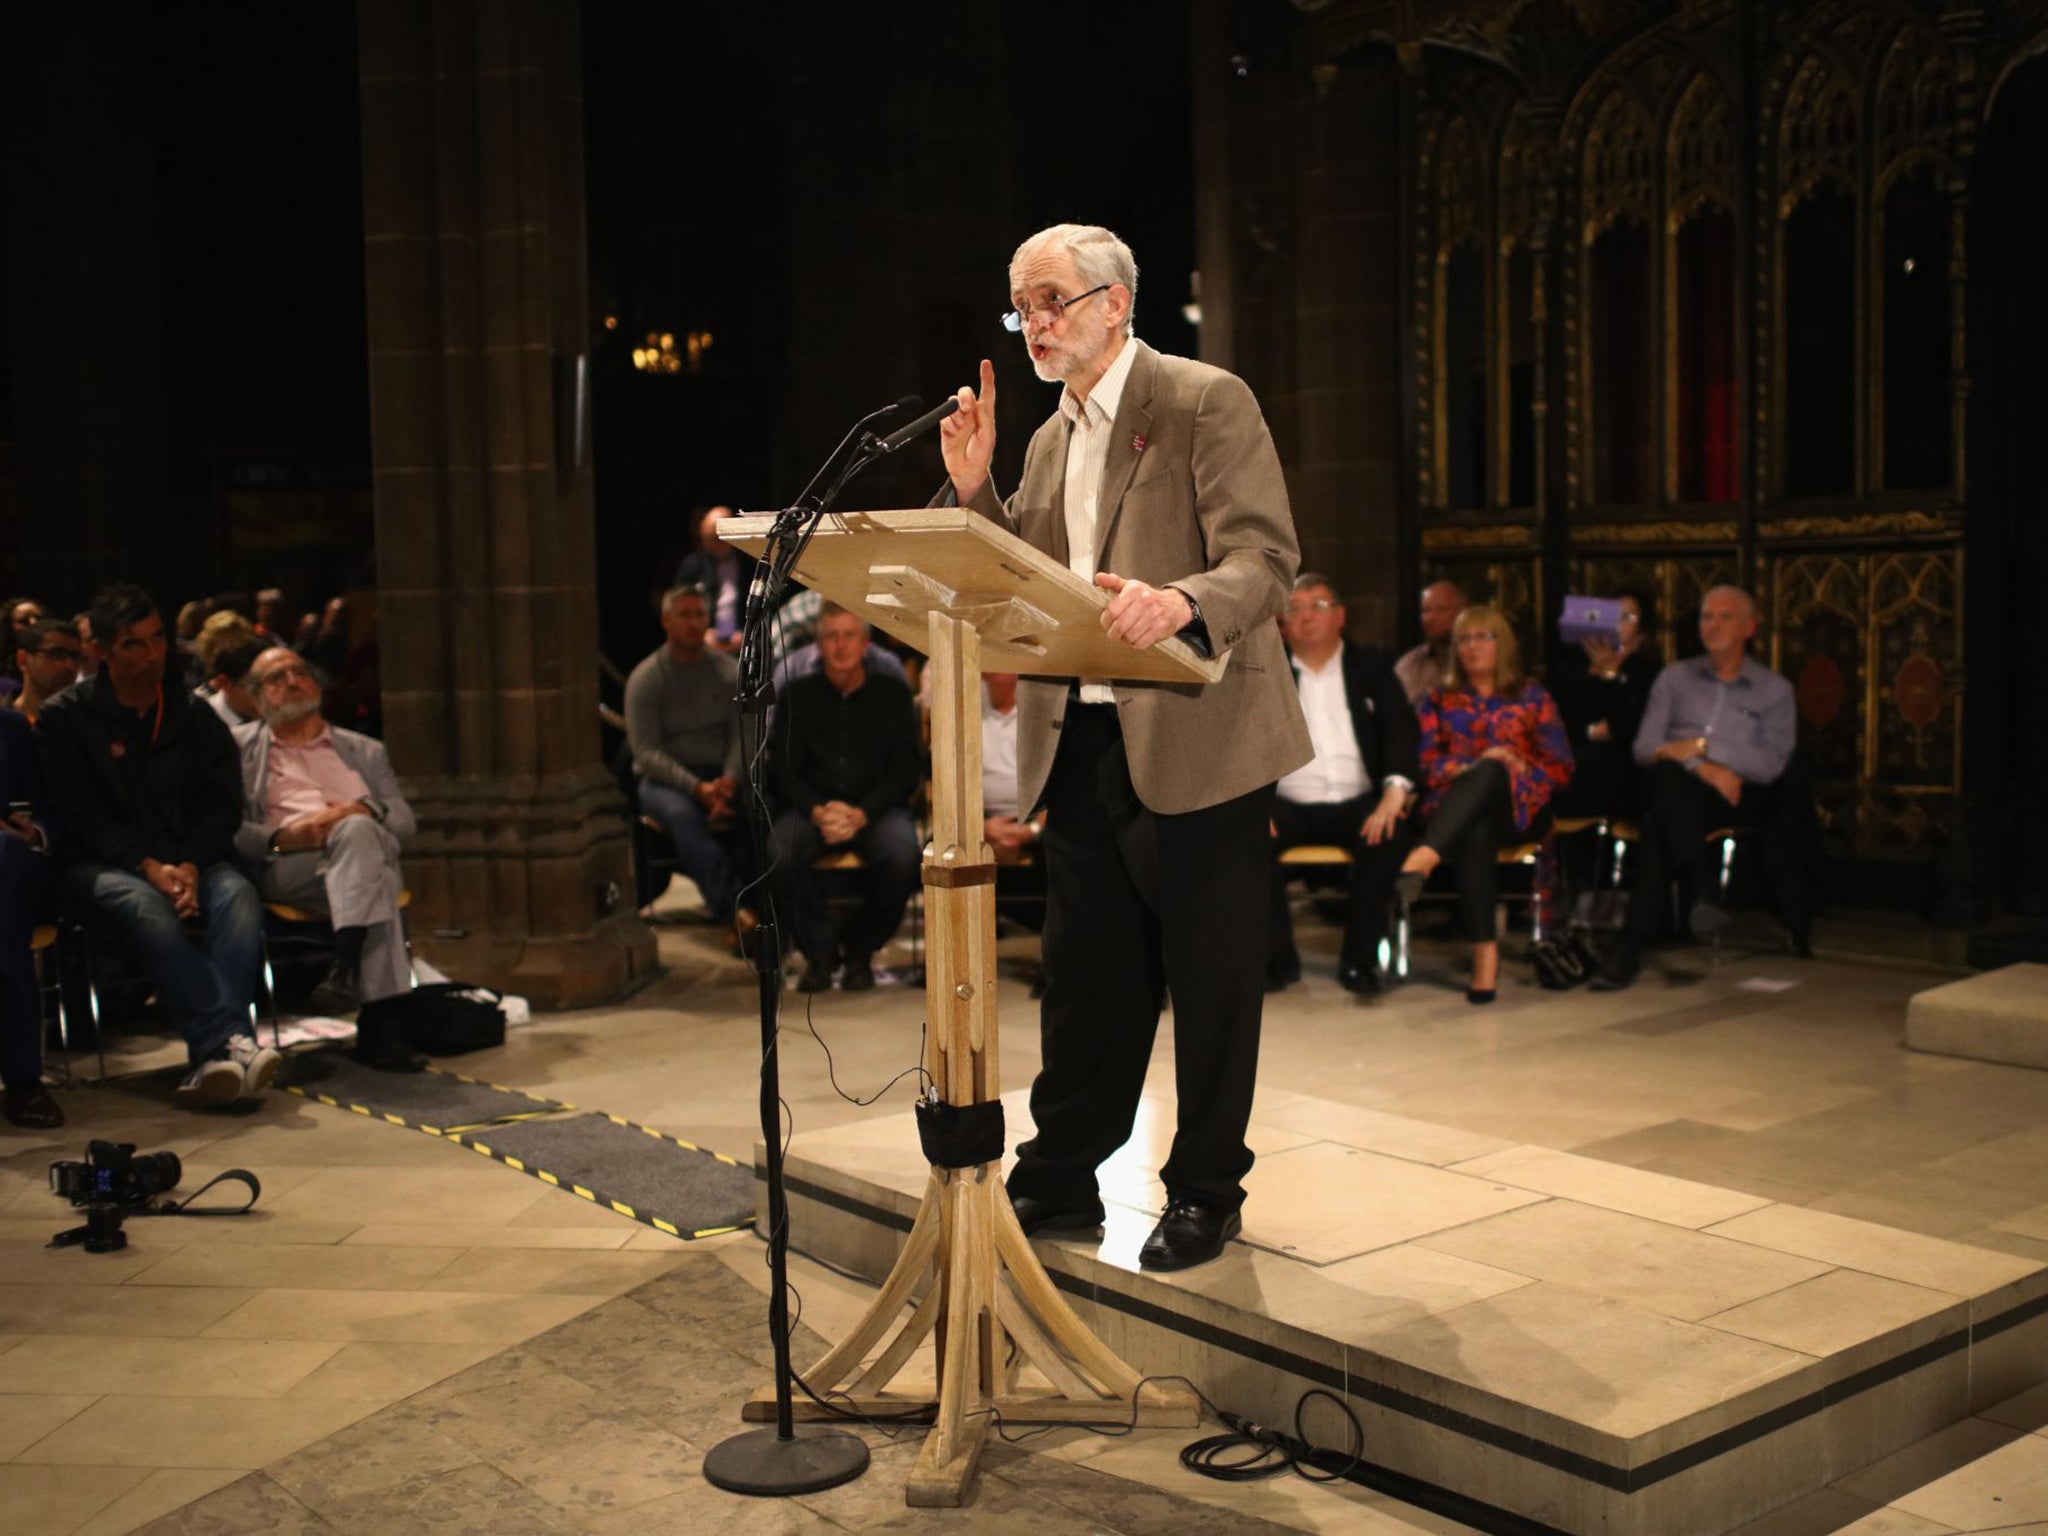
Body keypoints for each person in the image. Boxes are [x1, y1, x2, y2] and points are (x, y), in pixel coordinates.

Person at [938, 221, 1311, 1271]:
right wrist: (972, 493)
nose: (1033, 326)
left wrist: (1181, 600)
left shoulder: (1200, 400)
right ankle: (1062, 1175)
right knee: (1087, 974)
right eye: (1021, 308)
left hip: (1199, 734)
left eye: (1050, 301)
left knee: (1210, 975)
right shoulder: (1051, 436)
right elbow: (1026, 582)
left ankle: (1201, 1189)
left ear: (1114, 302)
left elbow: (1265, 556)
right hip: (1085, 736)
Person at [37, 584, 276, 1105]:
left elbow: (220, 806)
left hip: (191, 859)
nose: (151, 655)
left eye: (157, 640)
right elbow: (79, 817)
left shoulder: (193, 715)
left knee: (237, 895)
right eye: (133, 645)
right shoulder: (66, 718)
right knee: (144, 904)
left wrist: (188, 864)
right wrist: (147, 866)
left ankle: (213, 1061)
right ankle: (228, 1041)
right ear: (100, 650)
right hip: (97, 866)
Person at [1593, 586, 1803, 989]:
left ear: (1749, 628)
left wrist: (1702, 749)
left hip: (1735, 797)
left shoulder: (1774, 691)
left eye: (1725, 617)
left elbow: (1769, 764)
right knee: (1667, 782)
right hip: (1678, 785)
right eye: (1707, 616)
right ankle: (1697, 889)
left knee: (1659, 819)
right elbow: (1645, 748)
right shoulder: (1675, 678)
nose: (1713, 625)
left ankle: (1631, 946)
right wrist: (1703, 768)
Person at [1396, 605, 1573, 1003]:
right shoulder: (1439, 700)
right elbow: (1424, 765)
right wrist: (1474, 766)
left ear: (1502, 644)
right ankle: (1485, 956)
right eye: (1464, 639)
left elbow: (1562, 767)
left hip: (1522, 807)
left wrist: (1517, 765)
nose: (1472, 647)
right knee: (1476, 824)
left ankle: (1422, 858)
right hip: (1457, 813)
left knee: (1494, 771)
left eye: (1483, 637)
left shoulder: (1532, 695)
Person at [233, 647, 415, 1014]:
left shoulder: (366, 750)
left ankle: (344, 968)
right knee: (373, 870)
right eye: (276, 678)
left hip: (359, 858)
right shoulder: (237, 749)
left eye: (299, 672)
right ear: (255, 698)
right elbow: (227, 827)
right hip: (292, 865)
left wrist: (365, 808)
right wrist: (282, 838)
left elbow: (405, 823)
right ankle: (383, 1024)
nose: (292, 682)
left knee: (360, 838)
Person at [1268, 575, 1419, 996]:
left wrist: (1394, 793)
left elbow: (1400, 730)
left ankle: (1360, 962)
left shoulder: (1371, 666)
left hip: (1359, 802)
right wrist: (1254, 807)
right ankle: (1277, 962)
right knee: (1245, 844)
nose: (1305, 617)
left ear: (1340, 616)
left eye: (1317, 605)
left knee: (1388, 839)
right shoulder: (1269, 671)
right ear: (1283, 621)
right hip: (1287, 802)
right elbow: (1245, 741)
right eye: (1295, 608)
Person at [769, 604, 922, 993]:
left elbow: (905, 769)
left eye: (849, 635)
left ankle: (860, 950)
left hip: (873, 809)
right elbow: (783, 768)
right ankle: (820, 952)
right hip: (813, 808)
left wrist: (861, 814)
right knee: (779, 854)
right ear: (818, 645)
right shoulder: (796, 693)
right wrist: (819, 811)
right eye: (831, 637)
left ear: (865, 643)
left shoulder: (892, 693)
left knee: (903, 856)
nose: (840, 645)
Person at [624, 585, 747, 927]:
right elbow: (647, 753)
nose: (694, 624)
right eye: (685, 615)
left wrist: (728, 781)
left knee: (759, 804)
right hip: (667, 781)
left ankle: (767, 906)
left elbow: (743, 734)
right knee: (682, 815)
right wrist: (697, 789)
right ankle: (733, 911)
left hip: (722, 773)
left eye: (699, 615)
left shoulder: (727, 672)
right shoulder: (646, 678)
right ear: (666, 621)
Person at [1547, 591, 1660, 821]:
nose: (1618, 623)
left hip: (1621, 763)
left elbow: (1628, 725)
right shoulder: (1573, 664)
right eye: (1613, 615)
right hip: (1571, 750)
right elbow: (1554, 715)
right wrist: (1589, 731)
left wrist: (1611, 676)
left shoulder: (1648, 670)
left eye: (1628, 617)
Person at [0, 708, 62, 1128]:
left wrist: (34, 832)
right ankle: (22, 1080)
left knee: (4, 859)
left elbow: (49, 808)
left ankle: (23, 1079)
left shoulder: (12, 728)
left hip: (11, 877)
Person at [673, 507, 751, 655]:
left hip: (743, 641)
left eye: (716, 539)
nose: (712, 545)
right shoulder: (693, 565)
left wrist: (747, 632)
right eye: (707, 540)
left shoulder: (749, 563)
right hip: (704, 644)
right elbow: (679, 606)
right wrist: (702, 631)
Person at [1395, 580, 1467, 706]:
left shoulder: (1477, 658)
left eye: (1441, 609)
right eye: (1426, 611)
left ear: (1462, 612)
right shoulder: (1409, 665)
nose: (1431, 617)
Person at [8, 618, 83, 724]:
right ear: (23, 660)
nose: (69, 666)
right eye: (56, 654)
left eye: (75, 656)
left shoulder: (87, 723)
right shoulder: (4, 722)